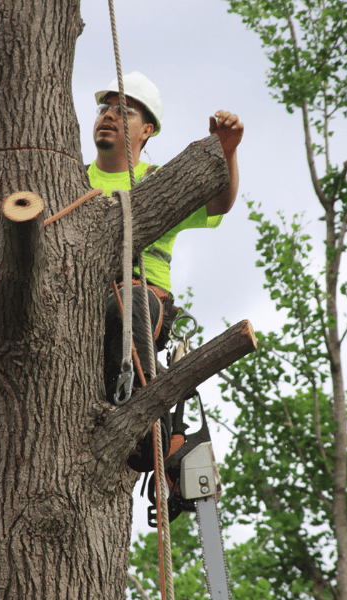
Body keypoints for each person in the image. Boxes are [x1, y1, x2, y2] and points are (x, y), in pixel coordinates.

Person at [87, 71, 243, 468]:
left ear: (147, 130)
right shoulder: (71, 179)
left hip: (141, 302)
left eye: (123, 112)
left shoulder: (159, 185)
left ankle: (141, 423)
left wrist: (227, 152)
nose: (108, 115)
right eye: (104, 108)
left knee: (130, 300)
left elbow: (219, 203)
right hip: (82, 304)